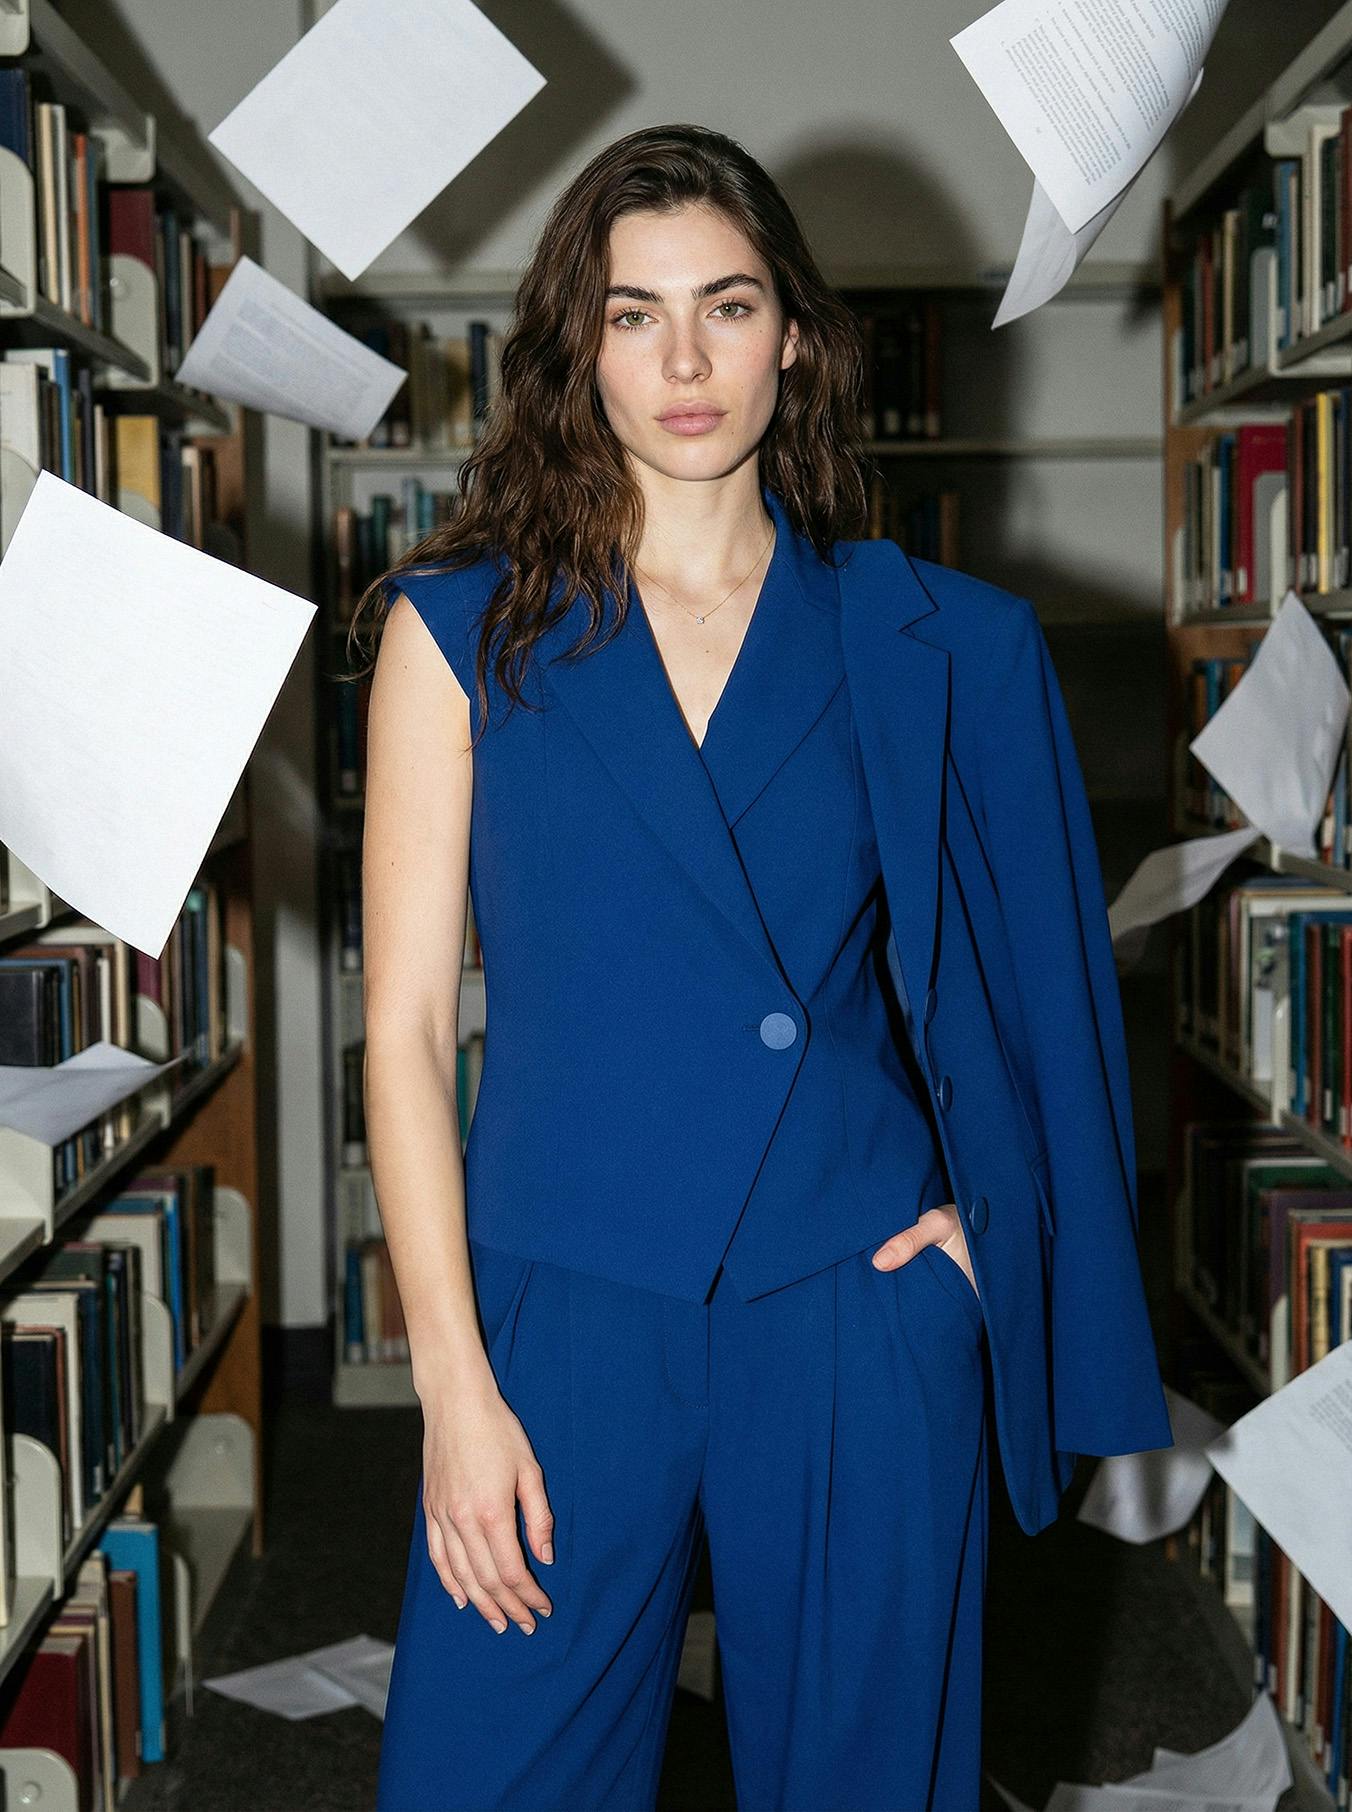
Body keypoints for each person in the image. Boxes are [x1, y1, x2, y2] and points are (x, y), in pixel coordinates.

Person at [350, 122, 1173, 1812]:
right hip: (561, 1314)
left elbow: (1046, 1018)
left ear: (794, 332)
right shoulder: (458, 632)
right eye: (636, 314)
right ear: (582, 346)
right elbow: (409, 1030)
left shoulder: (939, 639)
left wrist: (981, 1262)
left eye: (726, 307)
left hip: (852, 1304)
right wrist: (448, 1380)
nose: (685, 360)